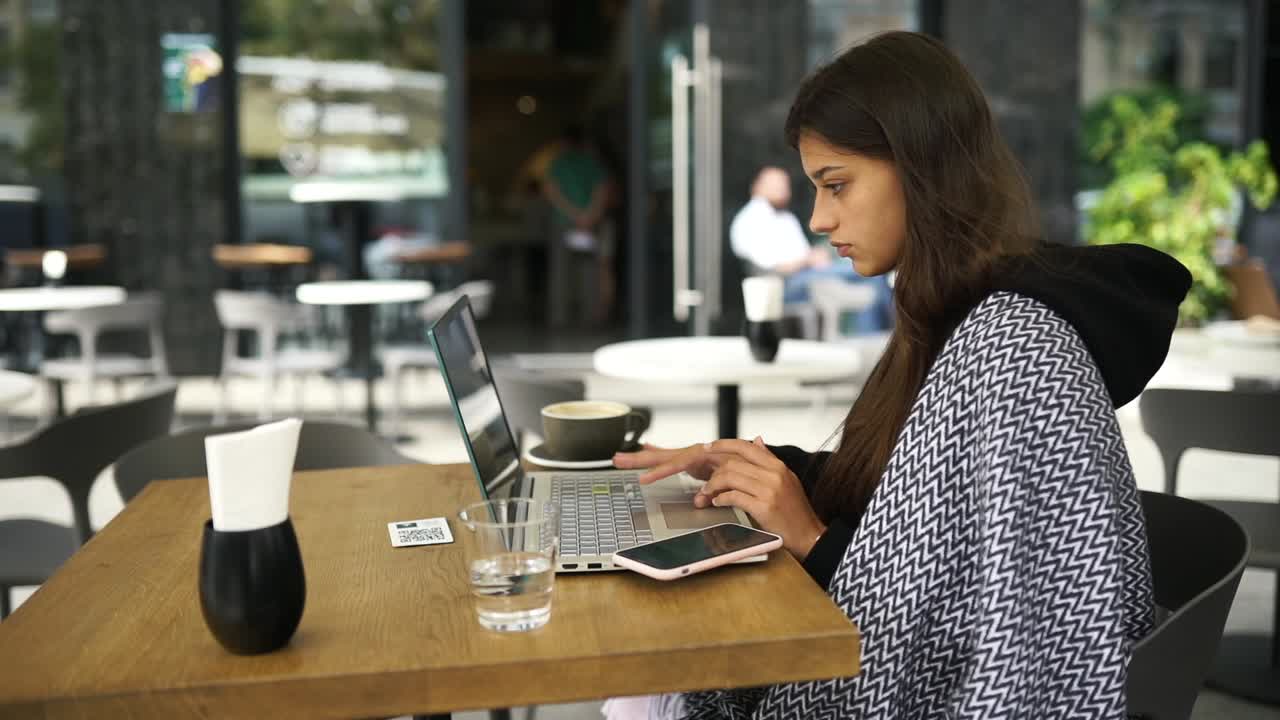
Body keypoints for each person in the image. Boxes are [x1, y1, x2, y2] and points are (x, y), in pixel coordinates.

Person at [604, 31, 1190, 719]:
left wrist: (808, 538)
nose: (820, 219)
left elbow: (1003, 644)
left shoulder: (1016, 349)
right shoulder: (950, 315)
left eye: (837, 185)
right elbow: (916, 512)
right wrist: (768, 470)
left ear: (921, 166)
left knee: (647, 676)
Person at [730, 165, 892, 333]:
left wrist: (815, 256)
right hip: (784, 284)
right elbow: (773, 267)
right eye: (776, 184)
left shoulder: (786, 218)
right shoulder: (750, 220)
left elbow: (805, 253)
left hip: (808, 273)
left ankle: (877, 338)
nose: (783, 189)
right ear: (758, 186)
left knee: (873, 279)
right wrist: (807, 260)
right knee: (869, 269)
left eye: (785, 184)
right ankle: (884, 336)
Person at [541, 125, 616, 326]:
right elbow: (602, 190)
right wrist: (589, 216)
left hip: (564, 224)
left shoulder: (558, 163)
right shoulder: (592, 163)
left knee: (560, 273)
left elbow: (551, 192)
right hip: (590, 224)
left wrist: (574, 215)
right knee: (588, 272)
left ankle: (559, 319)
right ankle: (589, 318)